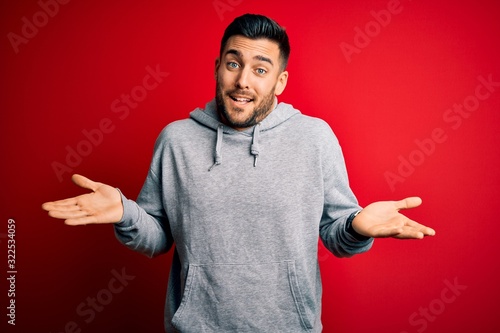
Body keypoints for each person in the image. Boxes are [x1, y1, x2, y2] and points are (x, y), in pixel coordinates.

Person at [42, 13, 435, 333]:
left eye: (260, 70)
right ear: (218, 67)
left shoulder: (314, 139)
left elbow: (337, 237)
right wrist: (127, 214)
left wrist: (357, 226)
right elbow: (159, 236)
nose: (243, 80)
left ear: (279, 81)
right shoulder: (176, 141)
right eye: (234, 63)